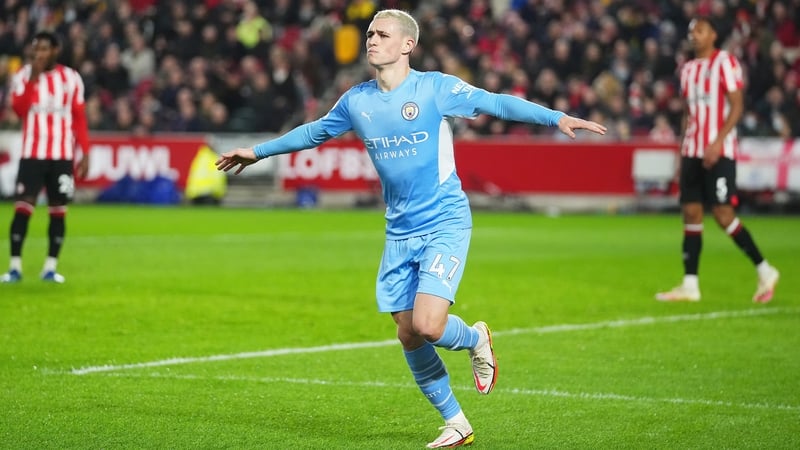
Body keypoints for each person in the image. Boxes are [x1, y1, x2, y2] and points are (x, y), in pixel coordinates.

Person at [216, 9, 606, 448]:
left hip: (444, 220)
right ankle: (456, 422)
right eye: (369, 33)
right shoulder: (357, 101)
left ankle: (477, 338)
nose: (371, 39)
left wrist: (556, 118)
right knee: (407, 330)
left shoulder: (435, 89)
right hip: (399, 231)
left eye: (382, 33)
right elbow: (314, 133)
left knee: (428, 324)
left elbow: (496, 101)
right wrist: (259, 151)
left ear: (407, 45)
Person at [655, 17, 779, 303]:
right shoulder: (687, 69)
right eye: (690, 31)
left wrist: (719, 141)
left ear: (713, 35)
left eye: (700, 30)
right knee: (691, 213)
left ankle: (765, 269)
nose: (694, 35)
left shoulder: (725, 61)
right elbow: (688, 111)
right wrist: (682, 149)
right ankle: (690, 285)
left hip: (719, 151)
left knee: (723, 215)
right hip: (692, 150)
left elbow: (736, 104)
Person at [1, 31, 90, 284]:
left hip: (62, 154)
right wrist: (32, 79)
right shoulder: (23, 76)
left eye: (44, 49)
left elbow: (79, 118)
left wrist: (85, 151)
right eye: (35, 49)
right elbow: (18, 110)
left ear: (55, 51)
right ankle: (15, 267)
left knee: (58, 210)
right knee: (22, 208)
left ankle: (50, 267)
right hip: (32, 154)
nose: (38, 53)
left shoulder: (71, 78)